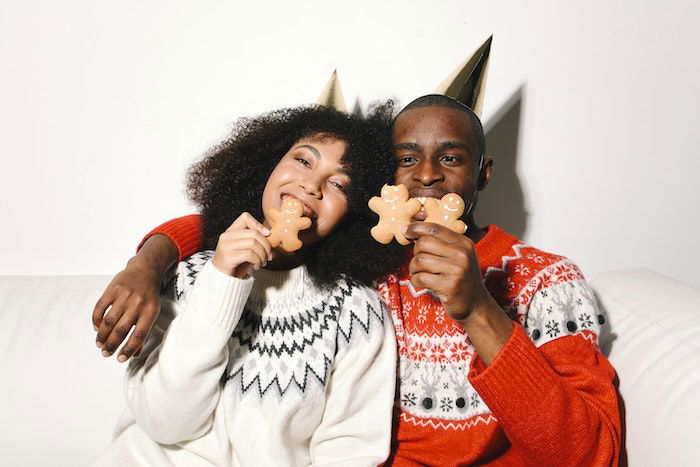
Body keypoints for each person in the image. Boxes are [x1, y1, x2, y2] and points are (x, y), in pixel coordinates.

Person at [94, 95, 621, 465]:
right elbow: (250, 228)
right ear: (381, 184)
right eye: (405, 160)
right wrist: (150, 260)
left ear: (482, 173)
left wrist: (480, 309)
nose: (428, 175)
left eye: (452, 158)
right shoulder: (370, 267)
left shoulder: (546, 279)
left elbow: (588, 455)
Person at [93, 104, 402, 466]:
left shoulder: (357, 314)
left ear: (355, 212)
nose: (311, 185)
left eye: (338, 183)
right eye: (304, 161)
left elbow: (350, 452)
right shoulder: (187, 275)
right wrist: (222, 281)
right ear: (268, 165)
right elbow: (166, 424)